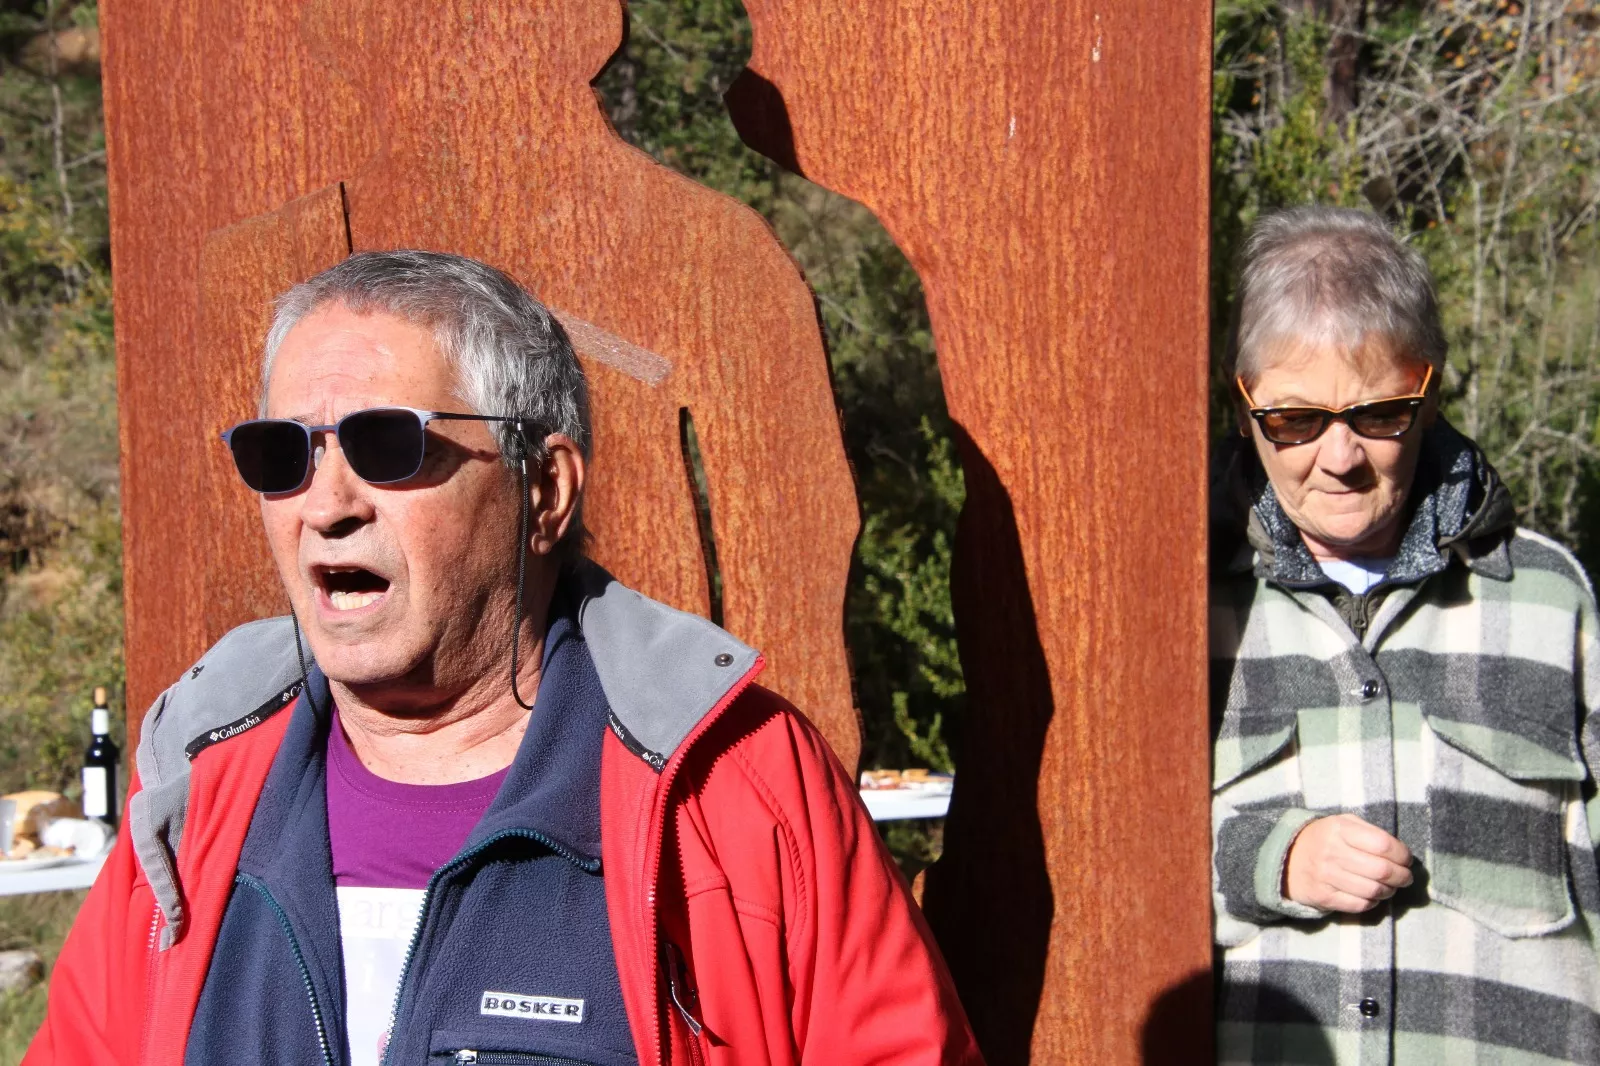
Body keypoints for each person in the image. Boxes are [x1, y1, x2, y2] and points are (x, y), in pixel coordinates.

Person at [26, 251, 983, 1066]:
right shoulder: (197, 793)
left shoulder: (739, 786)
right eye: (286, 454)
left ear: (545, 490)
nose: (326, 504)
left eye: (386, 445)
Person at [1210, 205, 1600, 1065]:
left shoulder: (1551, 600)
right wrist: (1261, 861)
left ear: (1429, 398)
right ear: (1244, 411)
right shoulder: (1179, 616)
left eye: (1379, 414)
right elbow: (1102, 882)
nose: (1340, 456)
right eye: (1296, 420)